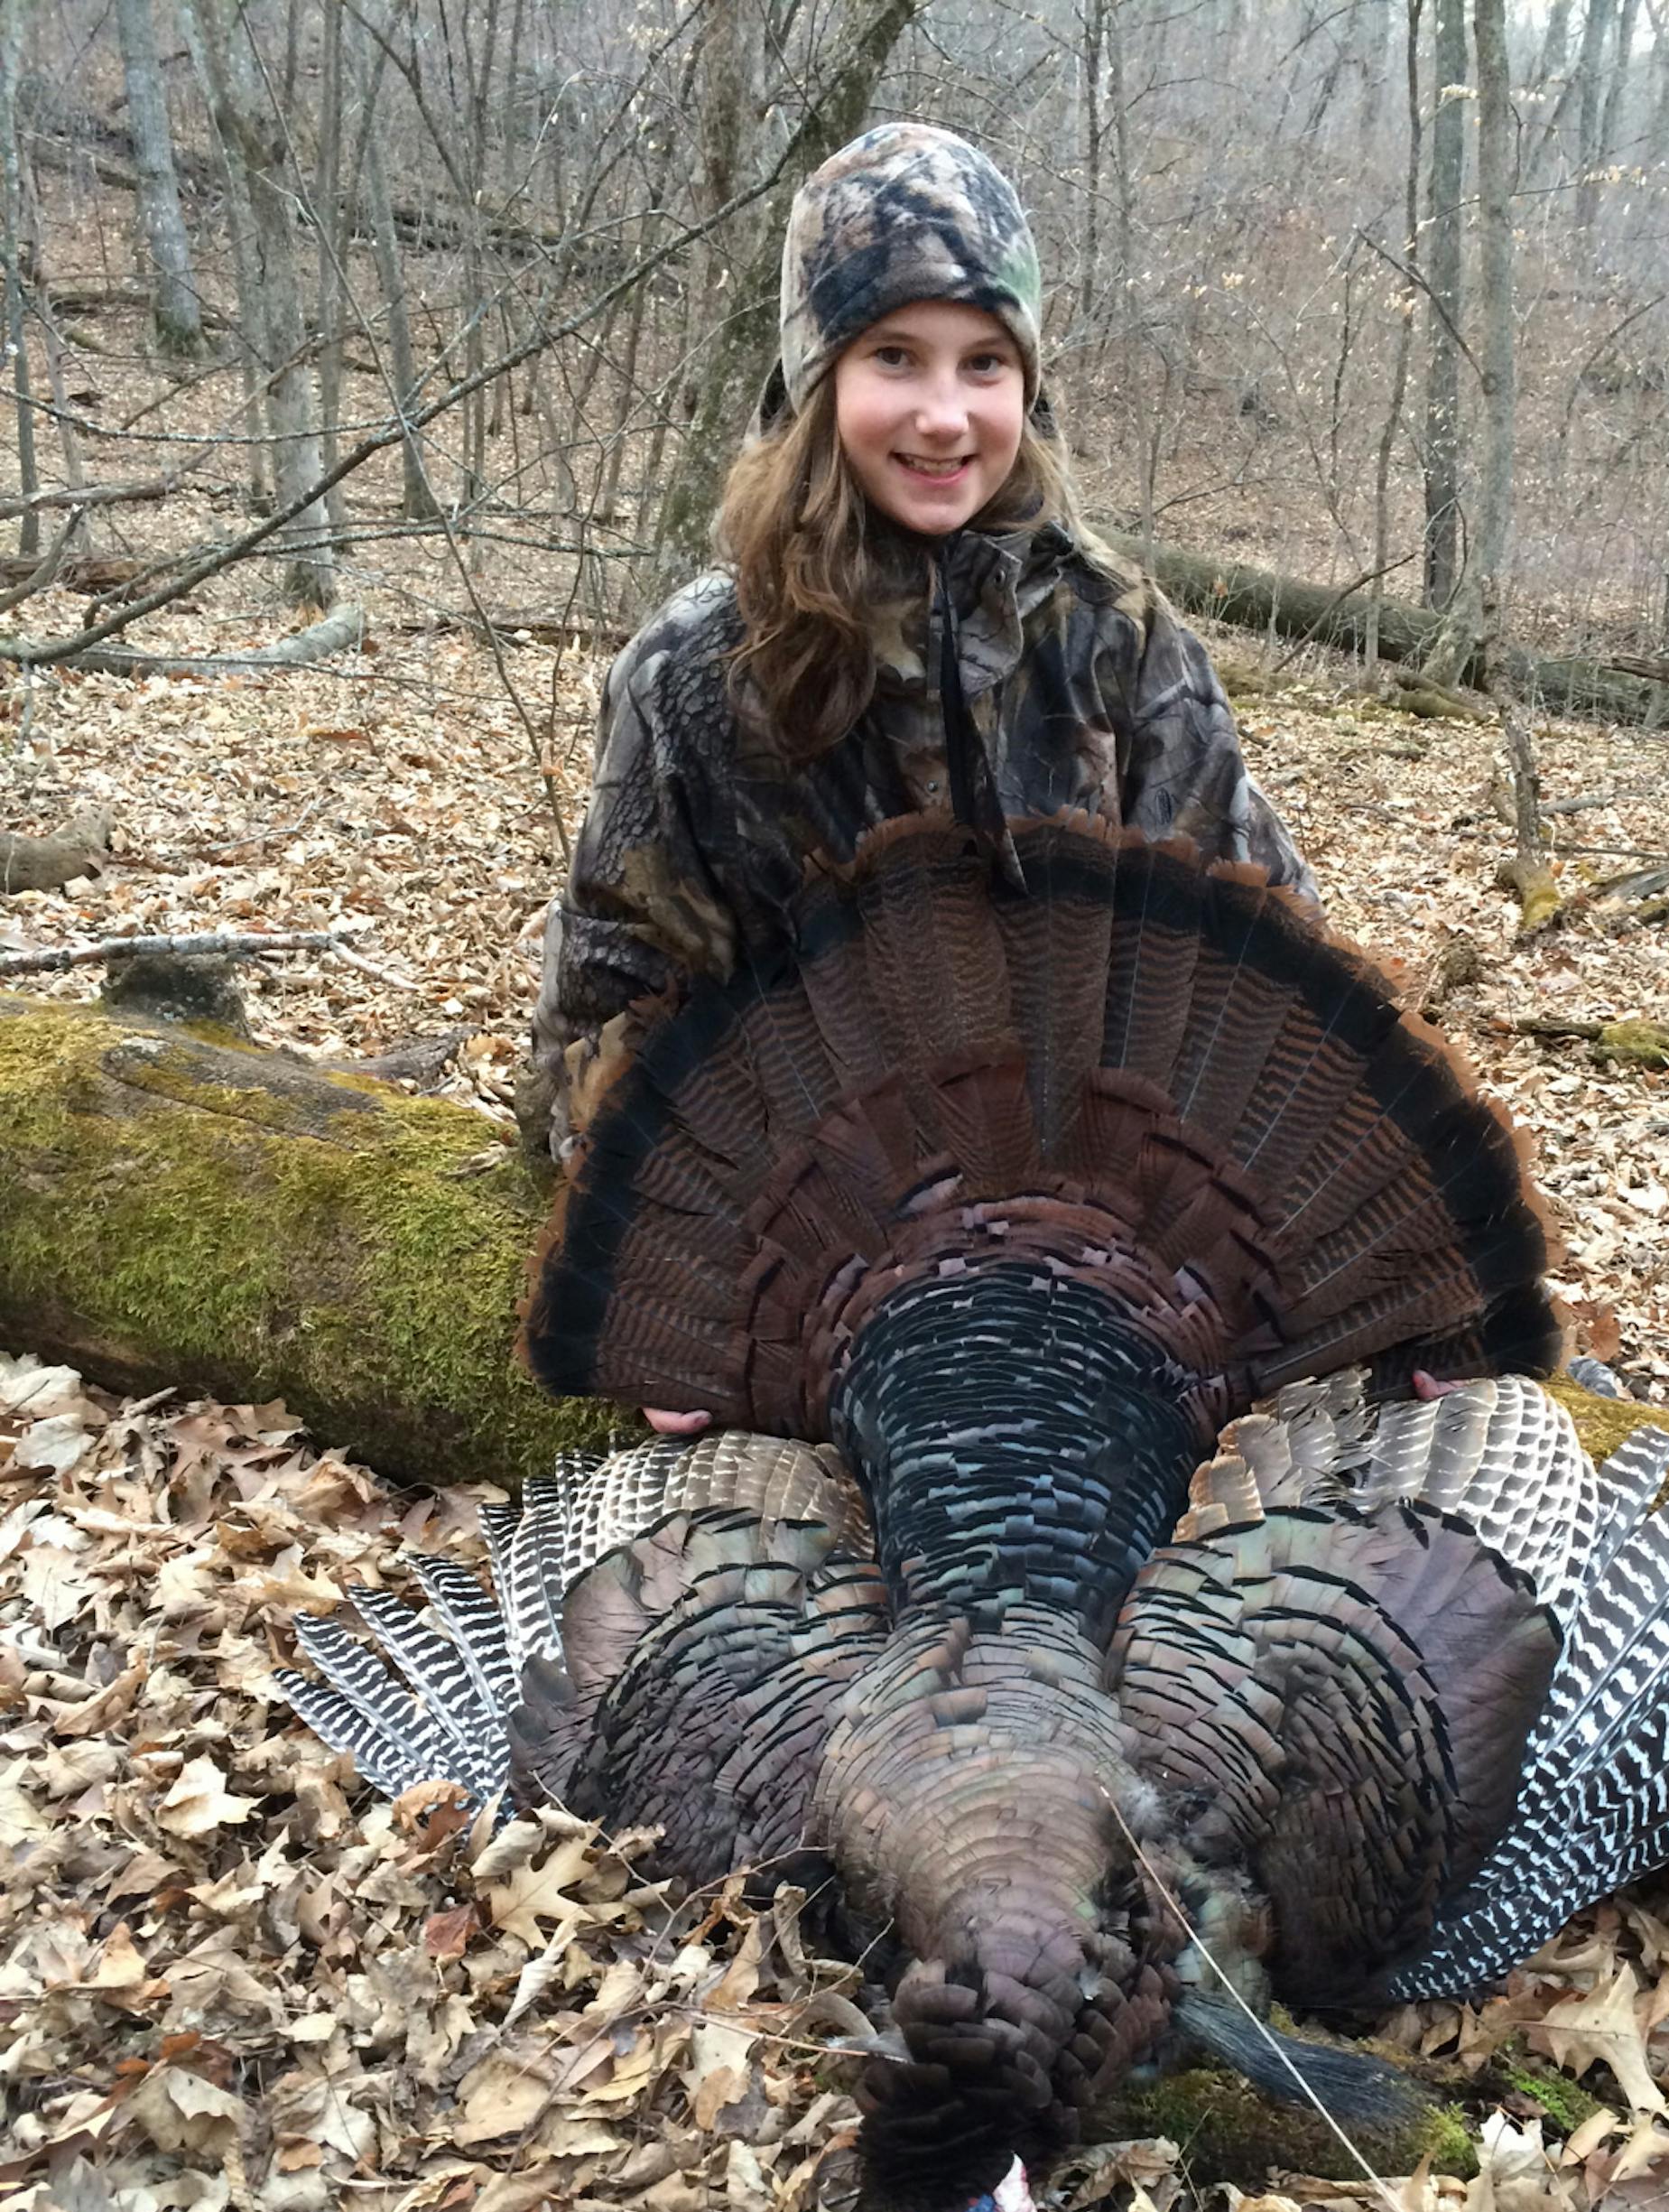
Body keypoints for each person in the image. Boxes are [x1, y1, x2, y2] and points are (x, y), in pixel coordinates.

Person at [519, 119, 1315, 1433]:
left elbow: (1271, 966)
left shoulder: (1114, 636)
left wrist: (1378, 1285)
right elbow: (610, 1012)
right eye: (895, 356)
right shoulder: (697, 671)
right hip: (814, 1291)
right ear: (816, 377)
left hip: (1116, 1280)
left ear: (1028, 387)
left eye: (985, 363)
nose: (947, 415)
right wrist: (675, 1281)